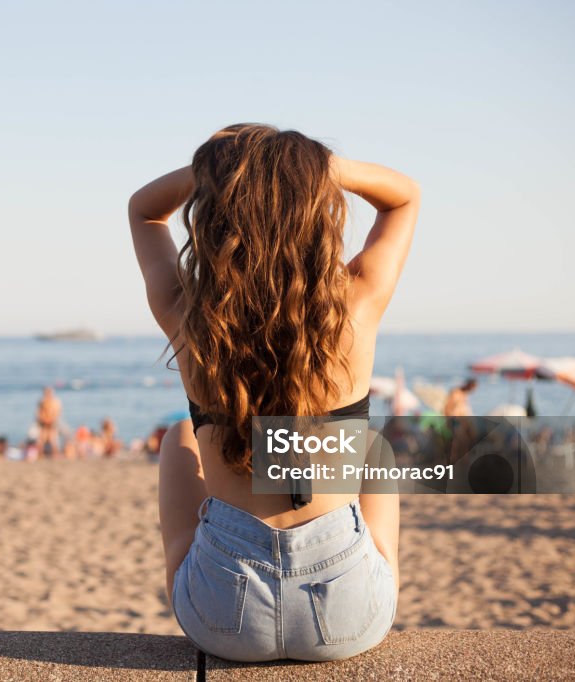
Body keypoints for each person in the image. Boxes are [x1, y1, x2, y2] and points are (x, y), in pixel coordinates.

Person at [129, 124, 418, 662]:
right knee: (374, 449)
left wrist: (224, 167)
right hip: (347, 614)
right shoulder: (354, 309)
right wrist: (309, 168)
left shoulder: (190, 320)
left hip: (221, 619)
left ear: (214, 219)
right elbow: (403, 199)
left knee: (178, 438)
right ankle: (377, 574)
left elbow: (143, 209)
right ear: (315, 215)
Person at [35, 387, 62, 457]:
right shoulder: (42, 402)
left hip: (51, 422)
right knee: (42, 439)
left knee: (52, 440)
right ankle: (41, 454)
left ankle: (54, 454)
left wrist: (51, 419)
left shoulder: (55, 402)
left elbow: (57, 413)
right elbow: (39, 413)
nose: (47, 394)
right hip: (44, 423)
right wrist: (43, 419)